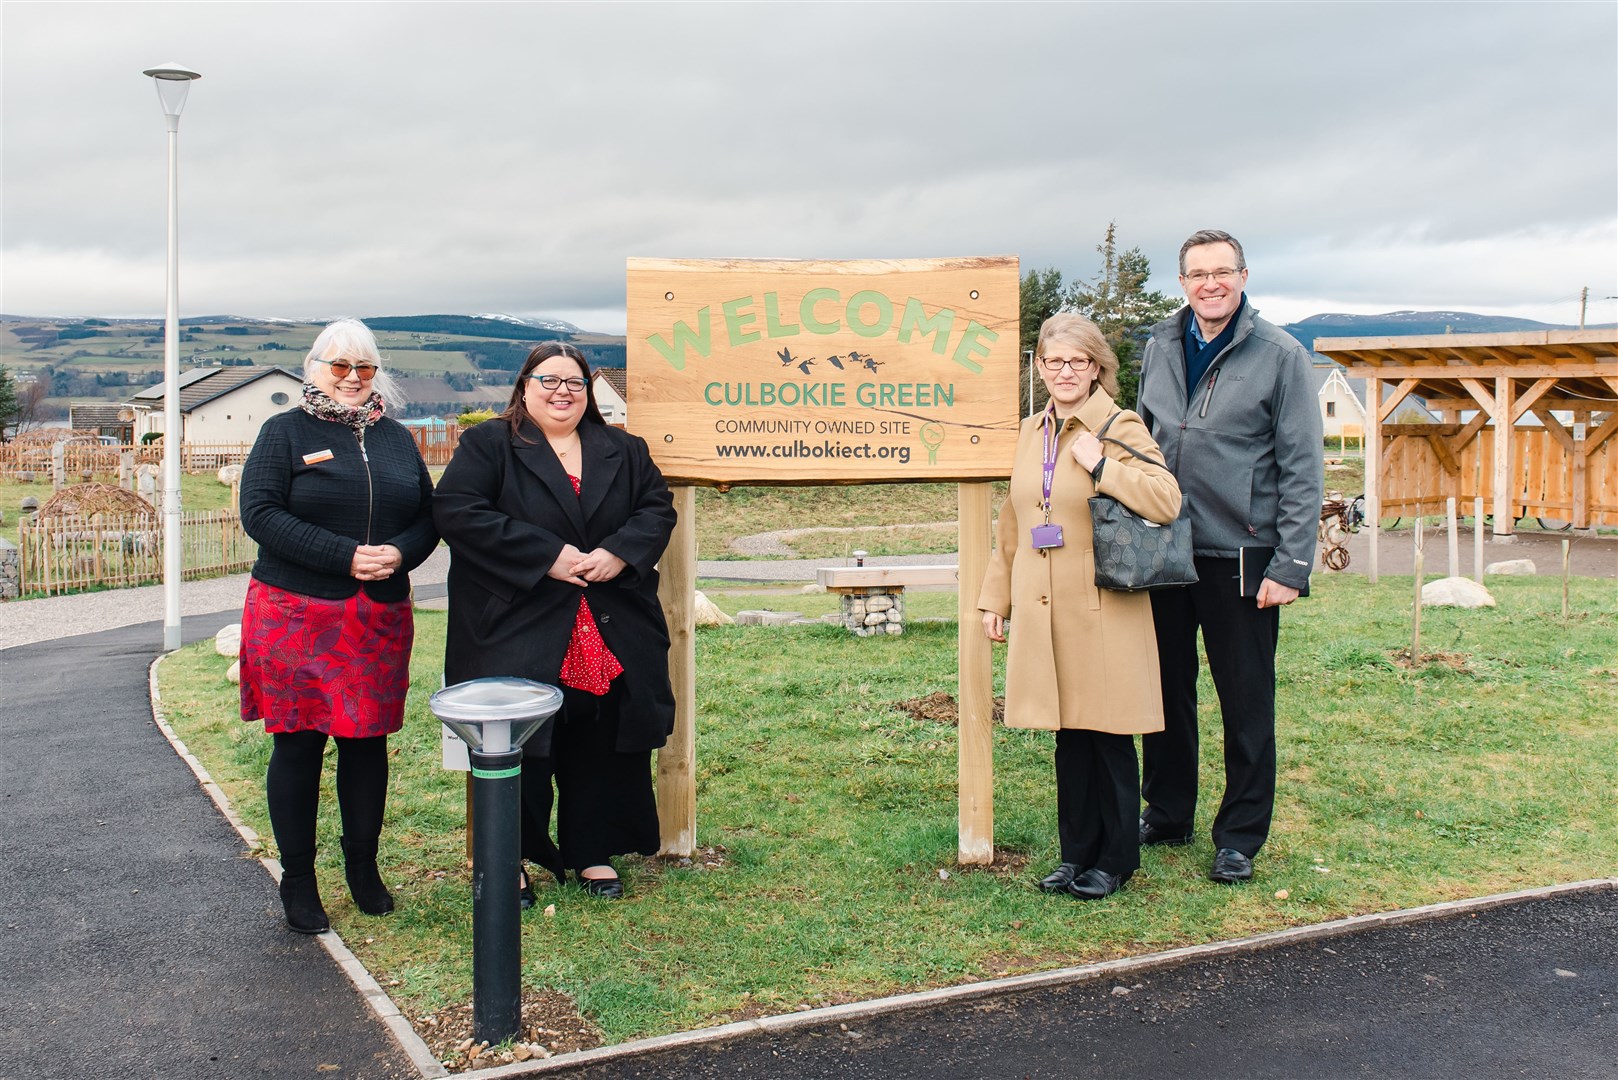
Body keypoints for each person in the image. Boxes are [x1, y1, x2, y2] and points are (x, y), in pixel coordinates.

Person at [434, 342, 676, 901]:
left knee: (598, 736)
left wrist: (619, 551)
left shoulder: (622, 448)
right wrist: (547, 555)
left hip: (608, 621)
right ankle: (510, 857)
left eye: (575, 382)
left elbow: (656, 507)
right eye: (549, 380)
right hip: (518, 621)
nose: (562, 391)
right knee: (523, 741)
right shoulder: (489, 445)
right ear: (524, 385)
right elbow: (458, 512)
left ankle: (592, 850)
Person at [1136, 229, 1324, 884]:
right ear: (1182, 282)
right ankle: (1166, 809)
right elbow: (1142, 435)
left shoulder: (1279, 356)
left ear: (1244, 277)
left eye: (1223, 271)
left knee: (1245, 699)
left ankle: (1239, 834)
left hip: (1241, 554)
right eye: (1197, 273)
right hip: (1163, 546)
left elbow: (1303, 469)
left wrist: (1290, 565)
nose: (1210, 283)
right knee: (1163, 689)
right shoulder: (1160, 345)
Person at [239, 318, 438, 934]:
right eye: (340, 366)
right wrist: (343, 555)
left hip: (377, 615)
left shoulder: (398, 440)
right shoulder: (285, 431)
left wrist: (399, 553)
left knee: (366, 744)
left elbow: (430, 517)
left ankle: (363, 870)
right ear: (314, 369)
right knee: (298, 744)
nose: (352, 379)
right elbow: (261, 513)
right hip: (298, 613)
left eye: (365, 368)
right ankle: (299, 882)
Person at [978, 314, 1182, 900]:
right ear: (1039, 367)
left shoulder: (1119, 424)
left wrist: (1102, 465)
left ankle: (1115, 859)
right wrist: (997, 599)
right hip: (1045, 609)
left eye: (1078, 362)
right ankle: (1075, 855)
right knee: (1068, 734)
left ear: (1097, 368)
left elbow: (1166, 500)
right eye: (1054, 361)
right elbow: (1012, 524)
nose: (1065, 372)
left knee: (1107, 733)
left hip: (1103, 607)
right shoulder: (1028, 431)